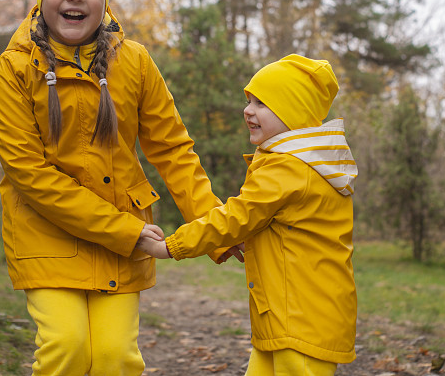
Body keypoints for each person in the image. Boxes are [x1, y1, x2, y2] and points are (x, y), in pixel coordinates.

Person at [0, 0, 240, 376]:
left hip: (123, 237)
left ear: (104, 2)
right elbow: (28, 173)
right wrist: (128, 232)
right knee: (66, 348)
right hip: (47, 232)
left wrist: (214, 224)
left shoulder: (135, 61)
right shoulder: (13, 69)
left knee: (113, 358)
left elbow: (173, 148)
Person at [138, 54, 359, 376]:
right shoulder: (302, 164)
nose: (248, 110)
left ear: (294, 113)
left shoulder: (288, 167)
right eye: (249, 101)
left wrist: (170, 246)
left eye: (262, 104)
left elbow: (234, 218)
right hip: (294, 314)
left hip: (300, 318)